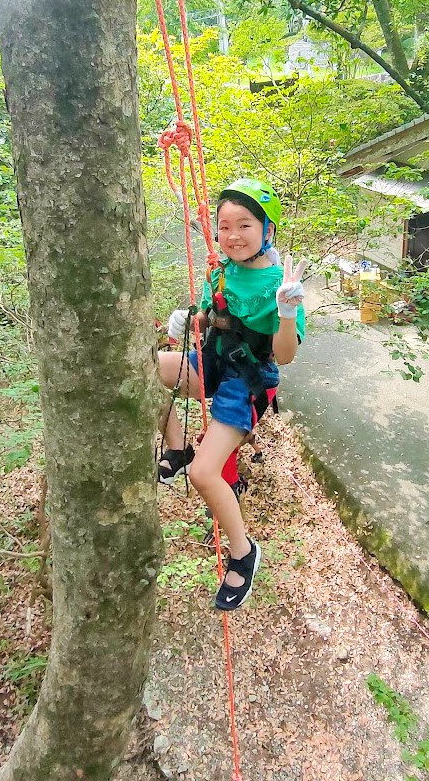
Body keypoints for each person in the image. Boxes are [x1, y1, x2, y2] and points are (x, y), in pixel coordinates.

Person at [158, 178, 306, 611]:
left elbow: (285, 356)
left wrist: (285, 311)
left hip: (247, 383)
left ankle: (243, 552)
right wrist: (188, 322)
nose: (233, 235)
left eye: (245, 225)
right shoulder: (220, 271)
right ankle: (176, 447)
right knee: (144, 368)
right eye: (224, 226)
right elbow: (210, 318)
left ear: (267, 230)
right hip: (213, 364)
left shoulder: (279, 283)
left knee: (206, 475)